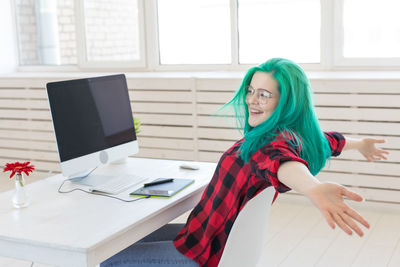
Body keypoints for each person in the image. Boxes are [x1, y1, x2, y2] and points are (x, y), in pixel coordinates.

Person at [101, 58, 389, 267]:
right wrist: (358, 144)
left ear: (287, 103)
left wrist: (313, 189)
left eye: (264, 95)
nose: (253, 100)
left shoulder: (267, 146)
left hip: (201, 252)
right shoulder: (298, 136)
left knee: (100, 258)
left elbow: (282, 164)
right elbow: (327, 140)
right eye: (251, 91)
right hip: (206, 237)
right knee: (118, 240)